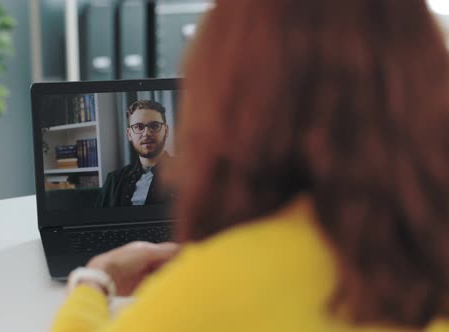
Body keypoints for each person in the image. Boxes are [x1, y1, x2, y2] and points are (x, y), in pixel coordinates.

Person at [52, 0, 449, 331]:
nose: (145, 135)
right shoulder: (426, 260)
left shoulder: (207, 294)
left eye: (153, 126)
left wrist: (93, 281)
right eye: (137, 128)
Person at [95, 99, 173, 207]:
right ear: (129, 134)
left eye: (154, 126)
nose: (146, 133)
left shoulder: (189, 175)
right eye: (138, 127)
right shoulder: (113, 180)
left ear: (166, 130)